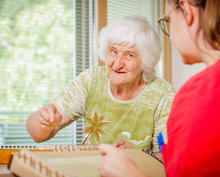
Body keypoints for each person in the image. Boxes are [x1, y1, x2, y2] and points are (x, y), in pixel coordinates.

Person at [99, 0, 220, 176]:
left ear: (187, 10)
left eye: (168, 21)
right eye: (113, 51)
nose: (118, 63)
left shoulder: (199, 94)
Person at [26, 16, 175, 152]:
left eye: (129, 55)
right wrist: (45, 123)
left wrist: (136, 157)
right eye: (113, 51)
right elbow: (37, 135)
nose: (117, 64)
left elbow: (166, 162)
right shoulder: (92, 80)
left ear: (146, 60)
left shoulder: (163, 94)